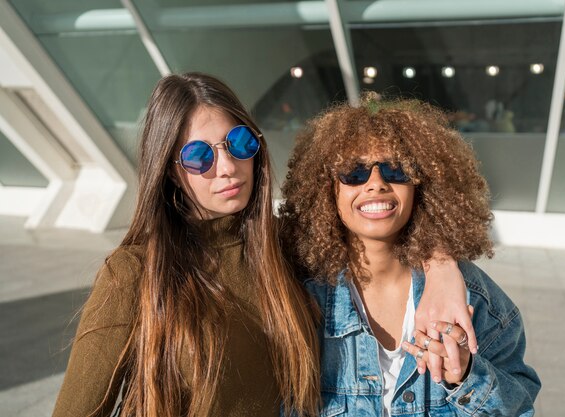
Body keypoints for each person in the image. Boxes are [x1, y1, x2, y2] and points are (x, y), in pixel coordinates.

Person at [52, 73, 472, 417]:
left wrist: (442, 269)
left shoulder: (285, 246)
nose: (228, 167)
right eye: (199, 156)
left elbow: (379, 221)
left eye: (239, 144)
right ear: (170, 170)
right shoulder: (134, 272)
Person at [280, 98, 541, 416]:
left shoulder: (474, 299)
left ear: (423, 186)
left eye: (396, 169)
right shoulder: (300, 296)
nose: (376, 184)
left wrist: (466, 376)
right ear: (326, 188)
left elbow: (520, 408)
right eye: (354, 172)